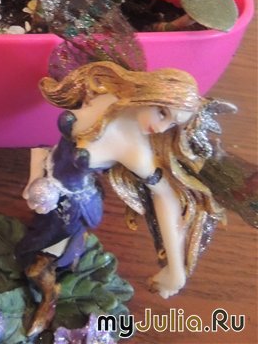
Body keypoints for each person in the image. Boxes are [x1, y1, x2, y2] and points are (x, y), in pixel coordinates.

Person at [18, 60, 226, 337]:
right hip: (46, 187)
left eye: (171, 124)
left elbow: (167, 198)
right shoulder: (106, 92)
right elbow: (53, 146)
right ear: (150, 93)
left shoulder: (135, 152)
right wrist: (36, 174)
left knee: (35, 262)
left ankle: (48, 302)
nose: (161, 128)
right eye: (162, 113)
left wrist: (176, 269)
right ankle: (60, 270)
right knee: (33, 247)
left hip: (73, 208)